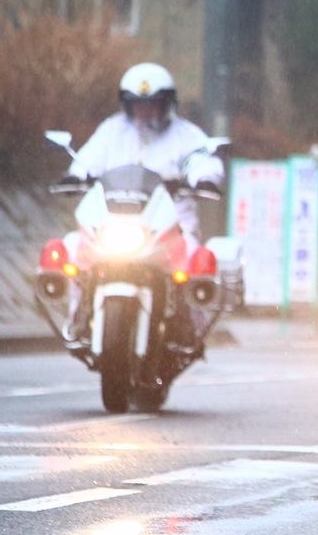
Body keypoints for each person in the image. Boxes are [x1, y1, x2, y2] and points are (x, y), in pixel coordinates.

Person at [62, 62, 224, 351]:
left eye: (153, 104)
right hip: (116, 218)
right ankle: (79, 313)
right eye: (138, 104)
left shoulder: (185, 135)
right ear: (128, 105)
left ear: (167, 104)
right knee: (75, 248)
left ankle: (188, 325)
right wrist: (76, 173)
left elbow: (200, 159)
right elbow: (90, 156)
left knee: (190, 256)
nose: (145, 111)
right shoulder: (112, 131)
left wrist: (206, 178)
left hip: (170, 220)